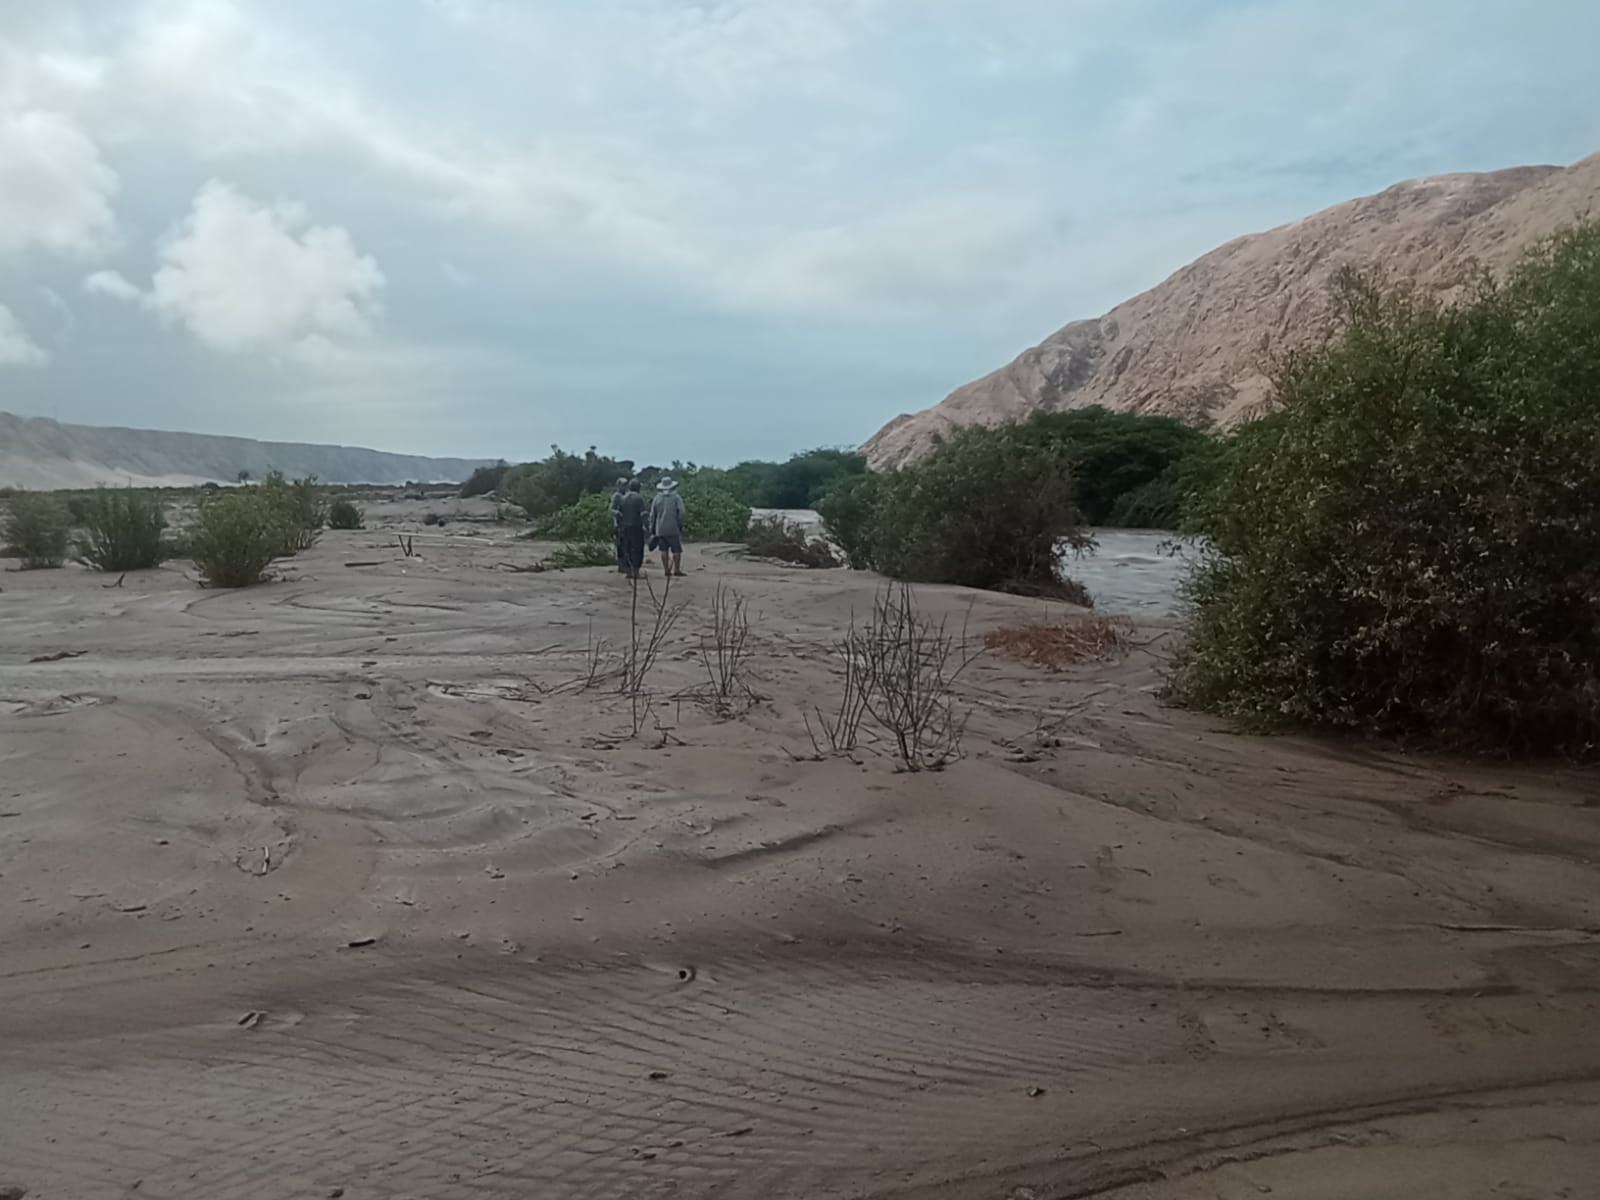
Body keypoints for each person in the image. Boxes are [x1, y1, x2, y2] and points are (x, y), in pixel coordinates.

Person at [650, 477, 687, 577]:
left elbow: (652, 515)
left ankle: (666, 570)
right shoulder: (676, 498)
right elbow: (681, 512)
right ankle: (677, 569)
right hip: (673, 527)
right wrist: (680, 524)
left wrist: (652, 528)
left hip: (660, 528)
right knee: (676, 550)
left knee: (663, 550)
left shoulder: (657, 498)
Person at [616, 480, 648, 580]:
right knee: (637, 549)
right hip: (636, 527)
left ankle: (629, 571)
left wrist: (620, 526)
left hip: (625, 527)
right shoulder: (639, 498)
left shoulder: (623, 498)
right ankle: (636, 572)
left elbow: (619, 514)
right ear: (638, 488)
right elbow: (643, 514)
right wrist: (647, 526)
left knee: (627, 548)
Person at [609, 476, 629, 574]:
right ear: (619, 485)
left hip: (627, 524)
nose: (625, 487)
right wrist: (618, 513)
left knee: (627, 545)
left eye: (626, 485)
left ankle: (626, 564)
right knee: (620, 545)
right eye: (623, 485)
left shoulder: (628, 495)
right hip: (619, 524)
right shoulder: (617, 496)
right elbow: (611, 509)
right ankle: (621, 566)